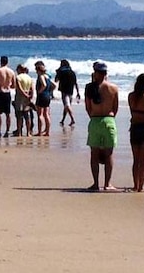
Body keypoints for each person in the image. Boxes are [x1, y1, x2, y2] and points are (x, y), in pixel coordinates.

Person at [85, 61, 119, 191]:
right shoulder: (113, 88)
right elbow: (115, 108)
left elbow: (88, 108)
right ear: (106, 73)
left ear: (95, 73)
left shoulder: (89, 87)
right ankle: (107, 183)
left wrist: (94, 117)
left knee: (94, 154)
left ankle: (95, 184)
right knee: (109, 154)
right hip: (109, 120)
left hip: (94, 120)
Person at [0, 56, 15, 138]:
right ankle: (7, 131)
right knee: (8, 114)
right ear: (7, 62)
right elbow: (13, 85)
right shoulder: (11, 72)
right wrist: (7, 85)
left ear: (0, 61)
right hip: (7, 93)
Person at [55, 59, 80, 126]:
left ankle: (72, 119)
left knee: (67, 106)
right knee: (66, 106)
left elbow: (56, 80)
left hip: (64, 91)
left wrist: (57, 72)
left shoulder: (61, 72)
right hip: (71, 91)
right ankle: (63, 120)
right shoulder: (72, 72)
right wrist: (78, 92)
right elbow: (76, 83)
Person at [33, 61, 54, 136]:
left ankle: (39, 132)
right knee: (46, 114)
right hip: (47, 96)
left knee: (40, 115)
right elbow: (54, 85)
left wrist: (39, 91)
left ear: (38, 70)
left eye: (36, 70)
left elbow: (44, 85)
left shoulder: (41, 76)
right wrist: (49, 92)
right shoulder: (47, 76)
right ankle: (47, 132)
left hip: (42, 96)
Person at [13, 64, 34, 136]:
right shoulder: (29, 77)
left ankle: (19, 132)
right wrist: (30, 96)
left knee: (19, 116)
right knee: (27, 115)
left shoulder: (18, 77)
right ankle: (28, 132)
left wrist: (25, 95)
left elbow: (19, 88)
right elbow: (32, 88)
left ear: (19, 69)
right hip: (27, 96)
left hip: (20, 96)